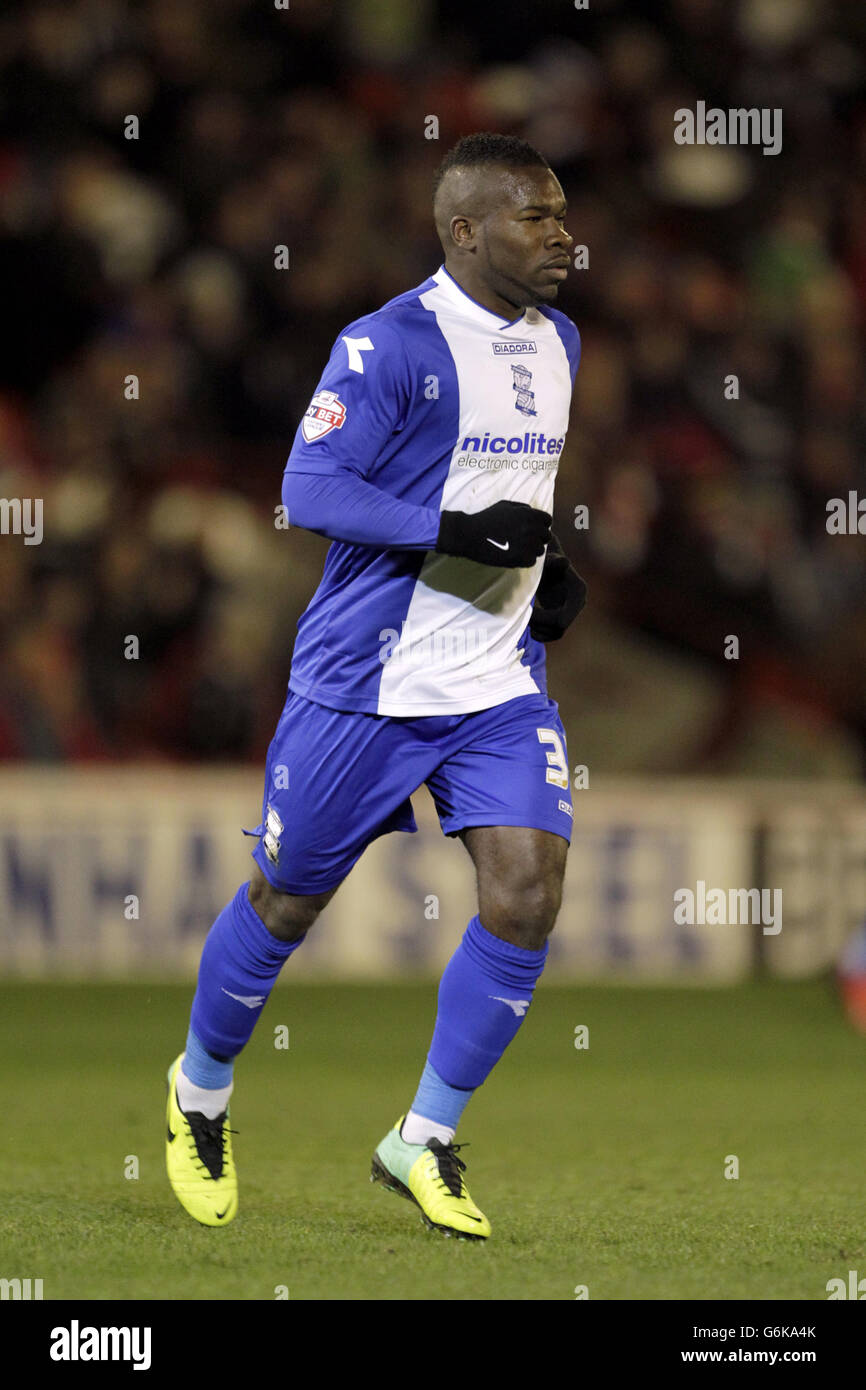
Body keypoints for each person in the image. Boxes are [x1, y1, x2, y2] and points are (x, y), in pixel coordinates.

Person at [165, 132, 586, 1241]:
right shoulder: (386, 342)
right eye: (535, 218)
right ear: (462, 230)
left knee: (528, 891)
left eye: (562, 214)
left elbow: (509, 487)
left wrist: (539, 571)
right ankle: (198, 1093)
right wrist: (455, 533)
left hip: (496, 679)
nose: (563, 236)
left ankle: (422, 1138)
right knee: (287, 900)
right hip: (368, 680)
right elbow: (310, 486)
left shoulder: (562, 342)